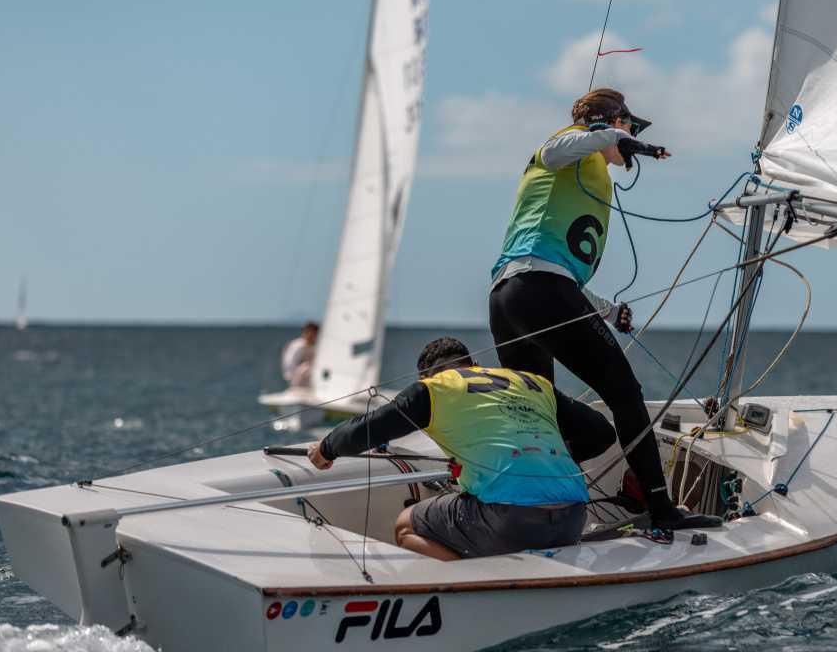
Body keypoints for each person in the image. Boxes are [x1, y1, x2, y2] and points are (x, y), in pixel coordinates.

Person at [488, 87, 719, 533]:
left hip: (514, 297)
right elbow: (560, 149)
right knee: (625, 393)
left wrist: (608, 311)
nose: (629, 139)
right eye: (627, 127)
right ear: (611, 122)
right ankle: (658, 506)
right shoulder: (565, 148)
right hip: (535, 292)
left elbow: (553, 270)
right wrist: (610, 132)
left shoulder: (589, 168)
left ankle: (525, 498)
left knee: (539, 412)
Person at [308, 337, 617, 561]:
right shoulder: (531, 382)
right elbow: (602, 434)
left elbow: (367, 428)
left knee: (405, 525)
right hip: (574, 517)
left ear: (425, 376)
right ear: (474, 365)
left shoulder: (433, 388)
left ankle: (476, 584)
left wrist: (326, 448)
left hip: (510, 523)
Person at [281, 321, 318, 390]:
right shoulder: (298, 346)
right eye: (309, 333)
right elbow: (289, 364)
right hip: (296, 380)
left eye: (314, 334)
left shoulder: (316, 346)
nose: (311, 336)